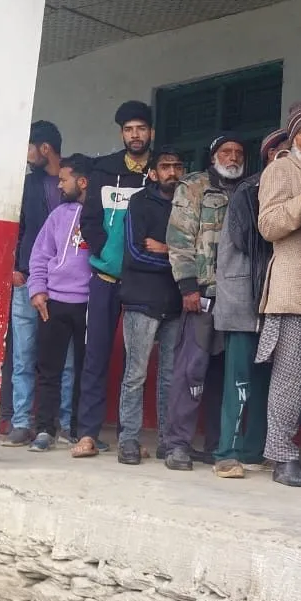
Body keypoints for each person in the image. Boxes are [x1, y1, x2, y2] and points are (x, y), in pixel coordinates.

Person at [162, 135, 247, 471]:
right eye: (226, 152)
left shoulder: (249, 189)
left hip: (238, 299)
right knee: (189, 372)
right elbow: (180, 238)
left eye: (239, 152)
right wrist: (187, 287)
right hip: (202, 295)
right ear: (213, 157)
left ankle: (217, 445)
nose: (233, 157)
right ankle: (177, 445)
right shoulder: (193, 187)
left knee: (224, 376)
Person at [74, 100, 153, 453]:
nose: (134, 135)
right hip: (106, 278)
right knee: (97, 355)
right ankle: (88, 433)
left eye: (140, 128)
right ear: (122, 134)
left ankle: (128, 437)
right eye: (128, 129)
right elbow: (89, 219)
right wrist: (105, 252)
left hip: (144, 281)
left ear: (150, 131)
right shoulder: (103, 170)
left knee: (137, 362)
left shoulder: (162, 170)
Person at [258, 103, 301, 488]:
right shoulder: (281, 169)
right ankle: (282, 457)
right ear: (293, 137)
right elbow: (267, 224)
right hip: (292, 290)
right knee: (290, 379)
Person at [212, 129, 286, 478]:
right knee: (238, 381)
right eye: (280, 153)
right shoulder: (250, 190)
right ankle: (226, 452)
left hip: (274, 300)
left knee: (264, 378)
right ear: (269, 156)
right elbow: (250, 239)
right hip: (244, 298)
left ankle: (253, 450)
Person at [4, 121, 75, 447]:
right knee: (23, 355)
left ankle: (59, 422)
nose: (26, 154)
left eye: (29, 147)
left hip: (63, 287)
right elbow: (12, 228)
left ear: (44, 148)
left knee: (66, 358)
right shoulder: (24, 185)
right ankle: (21, 421)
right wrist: (13, 267)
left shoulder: (75, 181)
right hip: (26, 279)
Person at [113, 148, 185, 464]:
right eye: (165, 167)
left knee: (170, 376)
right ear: (153, 173)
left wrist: (165, 250)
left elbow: (195, 253)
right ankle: (128, 439)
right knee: (136, 373)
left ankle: (168, 442)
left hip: (175, 301)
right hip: (141, 299)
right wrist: (178, 259)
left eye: (177, 167)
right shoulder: (139, 202)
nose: (172, 172)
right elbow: (135, 254)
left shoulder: (187, 205)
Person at [25, 154, 94, 451]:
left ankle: (80, 430)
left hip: (91, 304)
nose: (59, 186)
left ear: (82, 182)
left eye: (63, 180)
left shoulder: (102, 215)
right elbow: (39, 256)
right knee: (48, 368)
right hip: (54, 301)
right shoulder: (57, 216)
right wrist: (37, 289)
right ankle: (44, 429)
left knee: (86, 369)